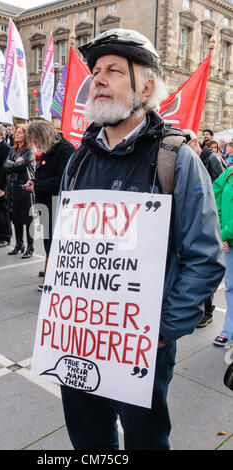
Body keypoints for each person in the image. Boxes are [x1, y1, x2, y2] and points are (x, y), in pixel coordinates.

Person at [55, 28, 225, 450]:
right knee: (88, 436)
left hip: (142, 343)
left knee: (145, 439)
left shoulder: (176, 160)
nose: (98, 78)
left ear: (146, 85)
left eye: (113, 70)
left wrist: (164, 330)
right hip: (80, 337)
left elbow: (204, 258)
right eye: (96, 70)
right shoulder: (79, 159)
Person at [25, 121, 75, 289]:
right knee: (48, 241)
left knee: (54, 242)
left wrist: (37, 186)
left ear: (43, 136)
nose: (36, 145)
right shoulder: (49, 148)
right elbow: (45, 172)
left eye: (36, 141)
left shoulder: (64, 149)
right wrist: (34, 181)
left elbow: (62, 180)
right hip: (46, 202)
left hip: (57, 204)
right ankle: (51, 269)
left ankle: (54, 277)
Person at [183, 129, 224, 328]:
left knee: (204, 262)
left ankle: (207, 311)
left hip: (208, 215)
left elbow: (217, 187)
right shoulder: (190, 158)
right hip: (196, 214)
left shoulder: (212, 158)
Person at [4, 124, 35, 258]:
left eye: (20, 133)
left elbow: (20, 165)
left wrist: (14, 164)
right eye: (16, 132)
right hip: (13, 188)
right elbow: (6, 165)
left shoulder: (30, 150)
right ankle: (19, 244)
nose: (17, 135)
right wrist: (14, 163)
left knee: (28, 220)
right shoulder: (13, 149)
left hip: (25, 188)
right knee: (16, 218)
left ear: (26, 135)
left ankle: (30, 247)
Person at [213, 167, 233, 347]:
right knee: (231, 287)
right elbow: (215, 196)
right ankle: (229, 330)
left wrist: (224, 234)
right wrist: (220, 231)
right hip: (229, 242)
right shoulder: (228, 173)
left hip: (228, 237)